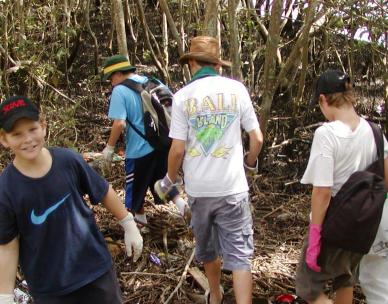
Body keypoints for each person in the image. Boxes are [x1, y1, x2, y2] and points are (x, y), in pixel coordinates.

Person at [0, 96, 143, 304]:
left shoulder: (67, 161)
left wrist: (128, 222)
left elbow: (102, 190)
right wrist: (5, 294)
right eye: (17, 134)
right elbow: (7, 244)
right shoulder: (6, 188)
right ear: (4, 139)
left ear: (43, 126)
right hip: (50, 287)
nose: (28, 139)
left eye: (32, 129)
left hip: (95, 270)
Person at [155, 36, 263, 304]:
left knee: (208, 249)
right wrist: (249, 162)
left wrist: (169, 180)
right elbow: (257, 138)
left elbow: (177, 149)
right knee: (239, 256)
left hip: (199, 191)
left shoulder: (181, 97)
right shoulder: (237, 90)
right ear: (217, 64)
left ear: (192, 62)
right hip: (232, 187)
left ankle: (214, 295)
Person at [295, 70, 388, 304]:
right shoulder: (375, 132)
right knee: (344, 279)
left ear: (323, 99)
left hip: (335, 223)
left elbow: (323, 192)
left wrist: (315, 235)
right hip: (364, 225)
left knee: (307, 286)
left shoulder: (326, 134)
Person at [101, 55, 188, 226]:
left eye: (111, 78)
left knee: (135, 190)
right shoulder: (154, 81)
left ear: (118, 73)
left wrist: (109, 148)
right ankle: (183, 206)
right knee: (162, 179)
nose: (111, 83)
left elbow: (118, 122)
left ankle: (139, 223)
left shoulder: (120, 90)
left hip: (138, 150)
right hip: (163, 144)